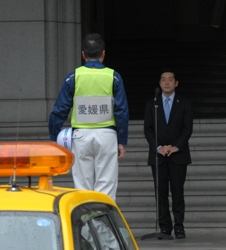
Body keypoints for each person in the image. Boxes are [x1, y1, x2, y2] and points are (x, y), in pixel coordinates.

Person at [49, 33, 129, 201]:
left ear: (83, 55)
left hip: (81, 137)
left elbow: (59, 110)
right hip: (107, 136)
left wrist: (54, 138)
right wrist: (121, 140)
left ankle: (85, 226)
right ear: (103, 54)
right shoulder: (113, 77)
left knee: (82, 189)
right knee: (106, 188)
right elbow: (121, 111)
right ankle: (103, 226)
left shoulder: (73, 77)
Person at [144, 69, 193, 239]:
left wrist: (175, 147)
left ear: (176, 83)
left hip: (178, 155)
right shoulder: (152, 103)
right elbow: (148, 129)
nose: (166, 82)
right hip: (158, 155)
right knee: (161, 192)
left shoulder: (184, 103)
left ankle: (179, 226)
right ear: (159, 83)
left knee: (178, 192)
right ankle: (165, 227)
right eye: (163, 79)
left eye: (170, 79)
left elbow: (187, 129)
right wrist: (158, 147)